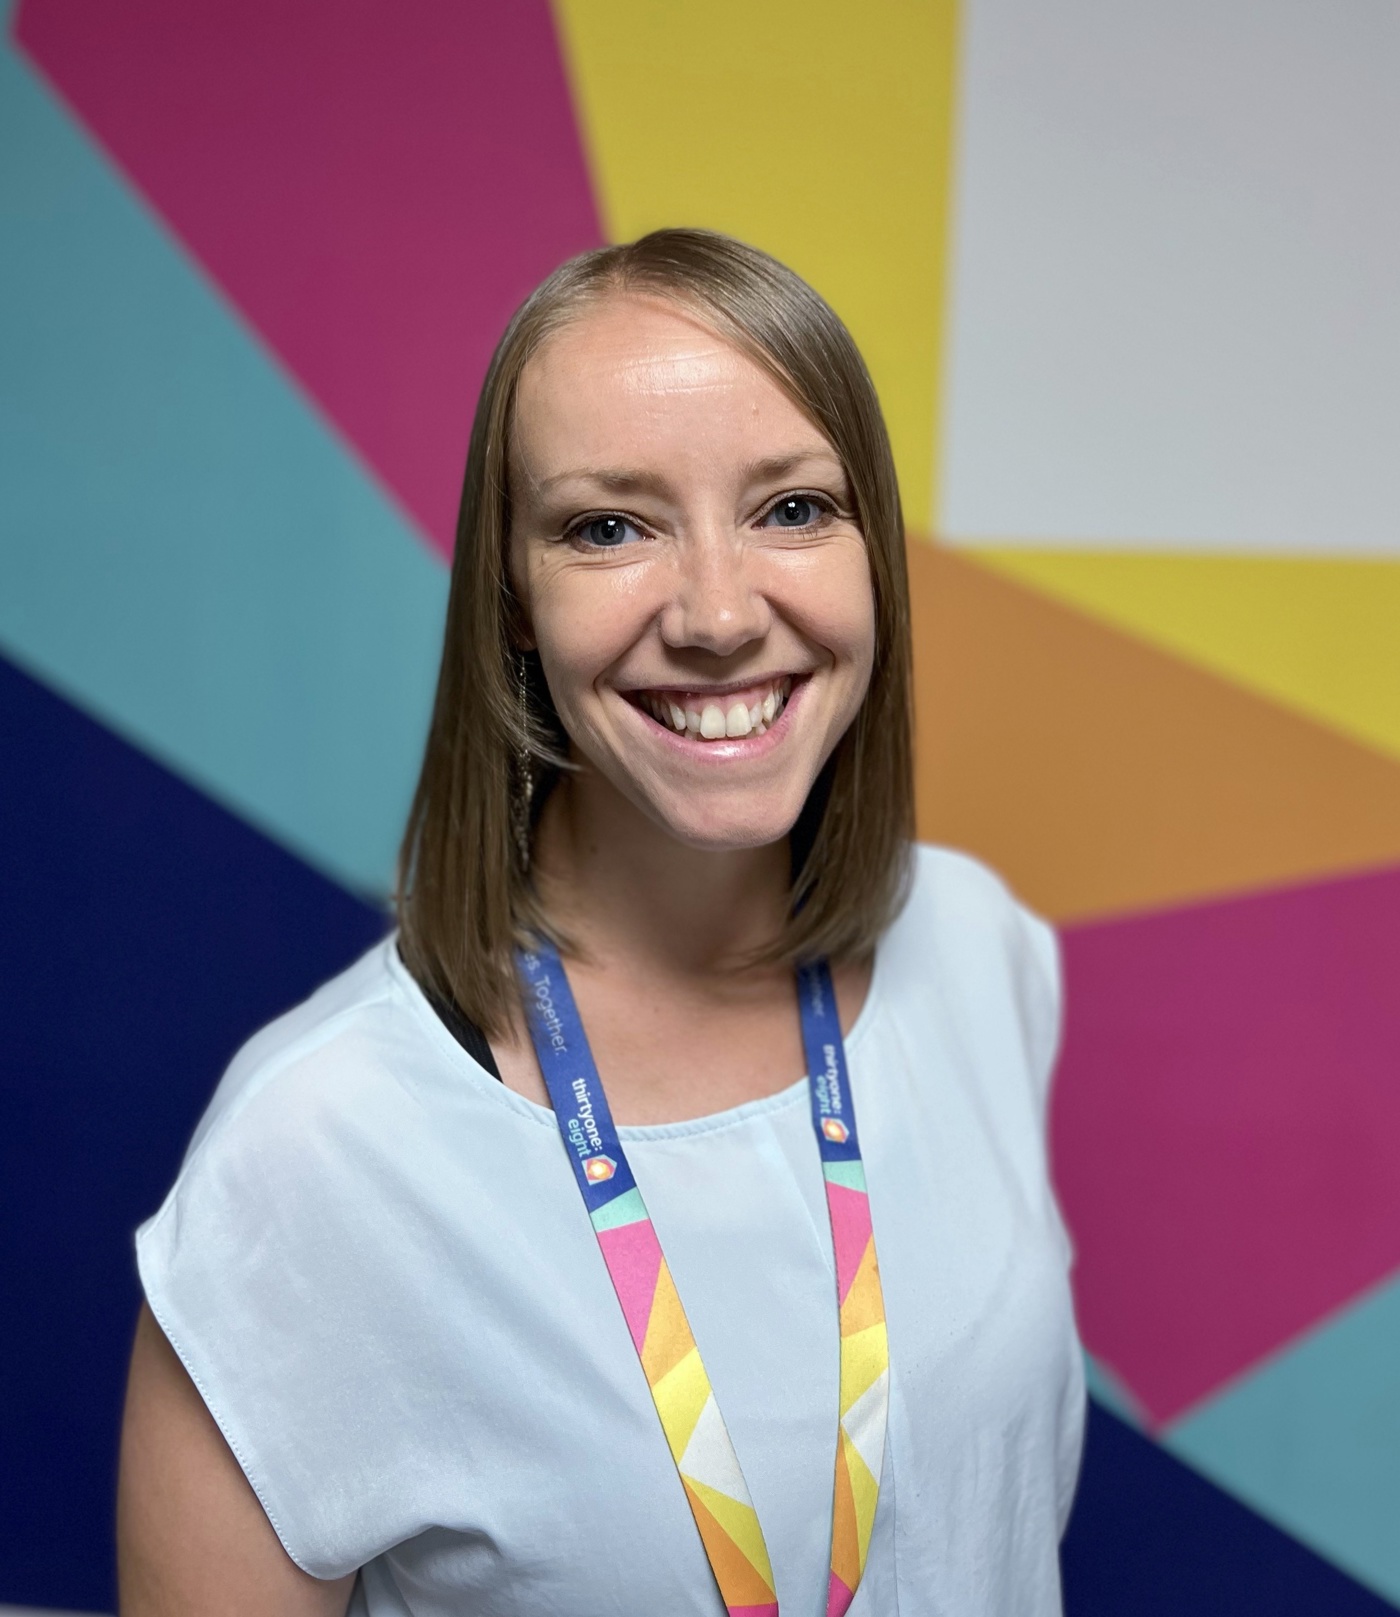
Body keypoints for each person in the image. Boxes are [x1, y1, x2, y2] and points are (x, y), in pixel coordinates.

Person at [118, 229, 1085, 1615]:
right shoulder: (316, 1147)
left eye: (793, 508)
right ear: (512, 596)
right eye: (608, 526)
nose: (715, 612)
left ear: (876, 546)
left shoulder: (982, 952)